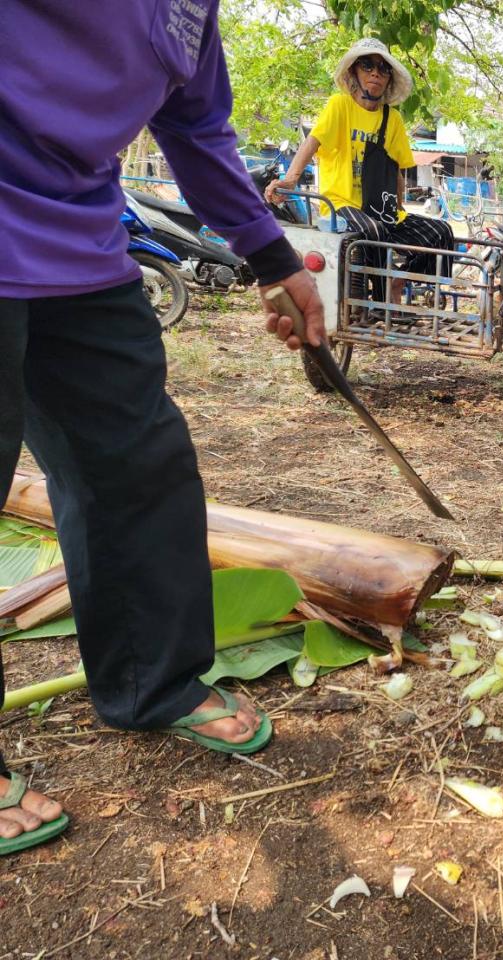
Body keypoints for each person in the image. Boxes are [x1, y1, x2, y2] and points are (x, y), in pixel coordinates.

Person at [0, 2, 326, 855]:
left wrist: (272, 256)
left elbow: (194, 125)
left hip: (78, 245)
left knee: (137, 467)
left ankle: (154, 682)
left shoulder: (191, 9)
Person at [267, 39, 454, 299]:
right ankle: (382, 302)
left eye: (383, 68)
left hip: (380, 208)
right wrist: (290, 180)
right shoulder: (340, 106)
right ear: (354, 71)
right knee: (374, 231)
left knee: (441, 232)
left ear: (389, 79)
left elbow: (396, 171)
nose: (375, 73)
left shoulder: (392, 119)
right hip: (341, 204)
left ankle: (398, 283)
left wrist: (398, 210)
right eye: (367, 65)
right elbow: (312, 142)